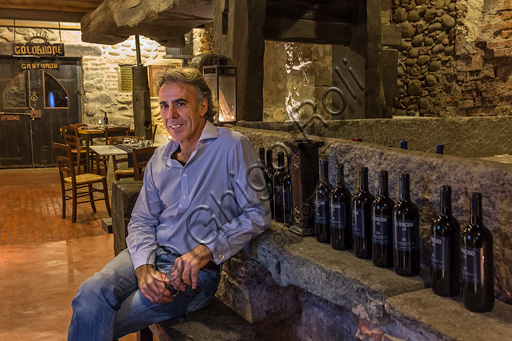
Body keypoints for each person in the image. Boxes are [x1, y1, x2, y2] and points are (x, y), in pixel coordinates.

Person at [68, 67, 271, 340]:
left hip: (194, 276)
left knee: (101, 318)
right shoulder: (159, 158)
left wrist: (207, 249)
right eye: (164, 105)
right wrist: (143, 267)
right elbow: (142, 220)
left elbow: (257, 213)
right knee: (89, 295)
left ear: (202, 107)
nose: (170, 115)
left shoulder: (232, 146)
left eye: (180, 103)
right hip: (149, 254)